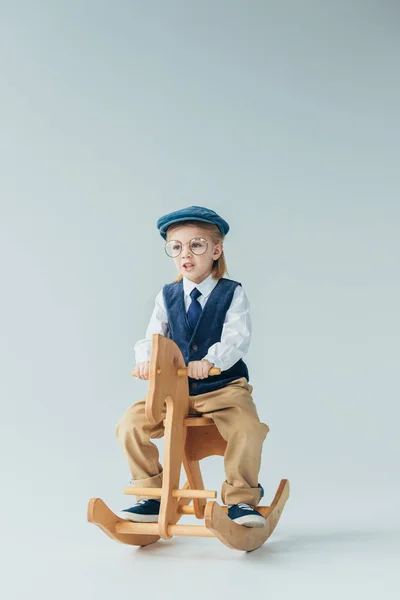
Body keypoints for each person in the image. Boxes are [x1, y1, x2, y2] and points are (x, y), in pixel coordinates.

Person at [115, 205, 270, 527]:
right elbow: (154, 334)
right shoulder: (168, 294)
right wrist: (146, 361)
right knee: (129, 425)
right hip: (176, 391)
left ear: (216, 249)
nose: (186, 254)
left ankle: (241, 499)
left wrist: (211, 361)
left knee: (247, 428)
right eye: (176, 247)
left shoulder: (232, 293)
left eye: (196, 245)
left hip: (222, 387)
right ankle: (152, 495)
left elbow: (237, 336)